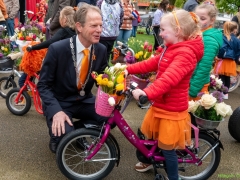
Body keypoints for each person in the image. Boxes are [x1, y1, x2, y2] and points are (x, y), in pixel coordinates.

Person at [126, 9, 204, 180]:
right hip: (162, 104)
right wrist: (127, 68)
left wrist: (146, 92)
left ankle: (173, 177)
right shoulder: (170, 48)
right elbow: (152, 63)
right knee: (151, 136)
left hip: (172, 109)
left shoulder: (185, 54)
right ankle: (150, 159)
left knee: (168, 149)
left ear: (178, 31)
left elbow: (168, 80)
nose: (159, 33)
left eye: (162, 30)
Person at [37, 4, 108, 153]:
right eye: (94, 25)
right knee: (64, 140)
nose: (99, 30)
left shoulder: (101, 49)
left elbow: (101, 78)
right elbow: (43, 85)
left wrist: (116, 84)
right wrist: (56, 111)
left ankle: (77, 131)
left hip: (84, 100)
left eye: (101, 25)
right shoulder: (57, 49)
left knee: (111, 118)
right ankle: (61, 134)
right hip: (60, 102)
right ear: (79, 27)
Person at [18, 6, 76, 88]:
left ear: (64, 19)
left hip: (60, 64)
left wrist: (33, 47)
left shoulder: (64, 31)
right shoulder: (75, 31)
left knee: (44, 81)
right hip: (71, 64)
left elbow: (50, 42)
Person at [189, 2, 223, 100]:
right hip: (189, 81)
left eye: (203, 18)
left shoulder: (209, 40)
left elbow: (204, 67)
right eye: (196, 17)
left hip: (196, 85)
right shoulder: (198, 34)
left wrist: (193, 90)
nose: (197, 21)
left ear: (212, 21)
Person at [214, 21, 240, 99]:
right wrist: (235, 59)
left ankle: (219, 93)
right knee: (227, 78)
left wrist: (219, 56)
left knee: (221, 77)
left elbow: (222, 48)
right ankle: (225, 94)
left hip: (223, 60)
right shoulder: (237, 40)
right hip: (231, 61)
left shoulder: (224, 37)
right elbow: (238, 51)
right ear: (234, 29)